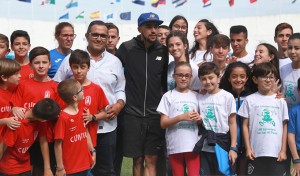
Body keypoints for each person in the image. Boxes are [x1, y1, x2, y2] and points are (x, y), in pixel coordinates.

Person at [54, 20, 126, 176]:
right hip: (77, 129)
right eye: (95, 34)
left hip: (107, 125)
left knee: (106, 170)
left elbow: (120, 88)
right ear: (87, 36)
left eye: (103, 35)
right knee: (79, 169)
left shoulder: (115, 62)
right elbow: (56, 86)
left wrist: (120, 104)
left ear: (108, 38)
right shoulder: (72, 58)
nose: (99, 38)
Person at [115, 12, 168, 176]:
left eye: (156, 27)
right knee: (137, 159)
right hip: (132, 114)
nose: (154, 30)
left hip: (154, 114)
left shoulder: (162, 50)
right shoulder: (126, 48)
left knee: (151, 158)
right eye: (149, 27)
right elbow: (116, 74)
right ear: (139, 28)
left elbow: (164, 82)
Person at [10, 46, 60, 176]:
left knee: (44, 170)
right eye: (37, 63)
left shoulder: (55, 87)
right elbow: (15, 106)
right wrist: (14, 107)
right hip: (24, 137)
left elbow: (58, 113)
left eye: (44, 62)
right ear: (31, 65)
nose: (41, 66)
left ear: (50, 64)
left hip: (46, 138)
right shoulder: (23, 84)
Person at [238, 62, 289, 175]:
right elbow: (245, 125)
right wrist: (248, 148)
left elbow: (284, 126)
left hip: (276, 154)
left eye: (271, 77)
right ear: (255, 79)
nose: (268, 80)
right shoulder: (249, 100)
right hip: (256, 153)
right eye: (264, 77)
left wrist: (283, 150)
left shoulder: (280, 101)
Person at [157, 62, 201, 176]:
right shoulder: (168, 96)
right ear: (174, 76)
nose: (183, 78)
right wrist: (181, 117)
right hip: (175, 145)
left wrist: (199, 119)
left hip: (193, 146)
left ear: (191, 77)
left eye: (187, 75)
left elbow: (202, 120)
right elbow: (163, 123)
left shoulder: (197, 96)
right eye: (180, 75)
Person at [195, 62, 237, 175]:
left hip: (223, 143)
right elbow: (199, 121)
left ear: (218, 78)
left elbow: (232, 123)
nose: (207, 81)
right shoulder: (199, 97)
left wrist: (233, 148)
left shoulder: (227, 97)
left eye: (211, 78)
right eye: (204, 79)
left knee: (223, 172)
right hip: (205, 146)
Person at [0, 98, 60, 176]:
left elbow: (43, 142)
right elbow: (2, 146)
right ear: (44, 120)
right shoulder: (17, 123)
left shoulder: (40, 122)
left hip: (25, 165)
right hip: (9, 167)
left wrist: (47, 168)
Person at [69, 49, 109, 148]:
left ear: (88, 68)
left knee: (89, 163)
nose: (79, 71)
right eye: (75, 67)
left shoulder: (96, 89)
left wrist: (92, 117)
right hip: (69, 139)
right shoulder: (66, 88)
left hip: (89, 140)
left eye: (82, 67)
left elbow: (105, 113)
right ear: (70, 67)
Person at [54, 79, 95, 176]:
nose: (84, 90)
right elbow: (57, 145)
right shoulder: (63, 118)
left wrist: (93, 151)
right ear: (75, 97)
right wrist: (60, 168)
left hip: (85, 164)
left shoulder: (83, 111)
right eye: (81, 89)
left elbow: (85, 133)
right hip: (71, 169)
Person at [219, 62, 253, 175]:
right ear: (228, 78)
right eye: (234, 76)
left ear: (247, 78)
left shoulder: (253, 97)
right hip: (229, 144)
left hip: (249, 145)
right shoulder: (223, 96)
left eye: (242, 76)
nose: (238, 79)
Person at [0, 59, 21, 131]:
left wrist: (14, 108)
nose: (20, 76)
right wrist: (5, 121)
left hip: (7, 137)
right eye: (16, 74)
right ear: (4, 77)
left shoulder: (14, 89)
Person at [280, 33, 300, 109]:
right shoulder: (283, 69)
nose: (292, 51)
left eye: (297, 48)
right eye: (290, 48)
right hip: (286, 114)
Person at [287, 77, 300, 176]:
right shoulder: (294, 111)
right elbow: (290, 136)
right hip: (298, 153)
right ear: (299, 91)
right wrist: (296, 160)